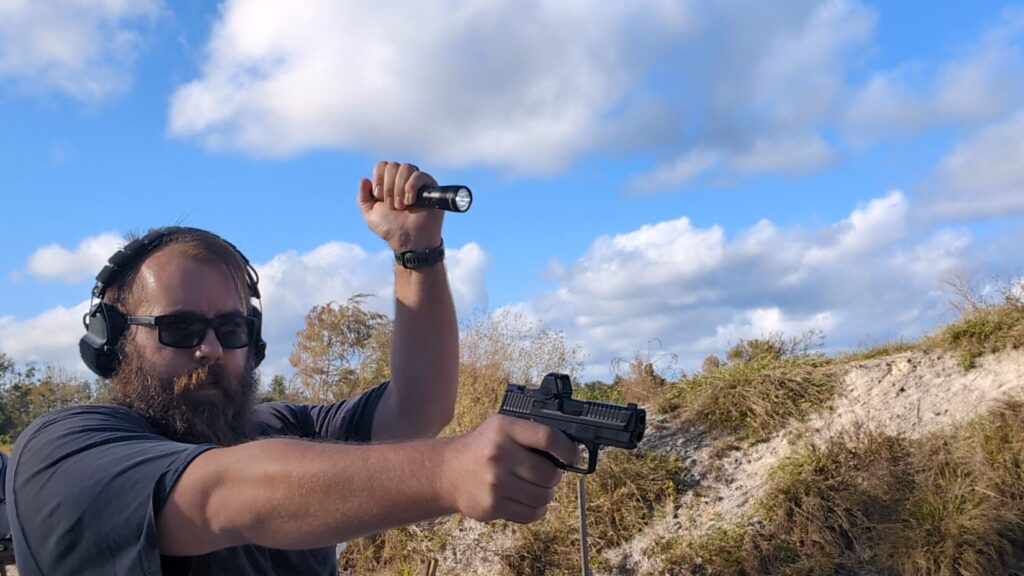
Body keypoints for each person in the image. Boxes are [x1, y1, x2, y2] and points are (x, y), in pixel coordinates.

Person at [6, 162, 576, 575]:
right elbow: (223, 495)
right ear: (112, 342)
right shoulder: (65, 452)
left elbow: (419, 408)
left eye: (231, 331)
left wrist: (415, 251)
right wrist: (446, 472)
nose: (210, 350)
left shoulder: (278, 428)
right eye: (179, 329)